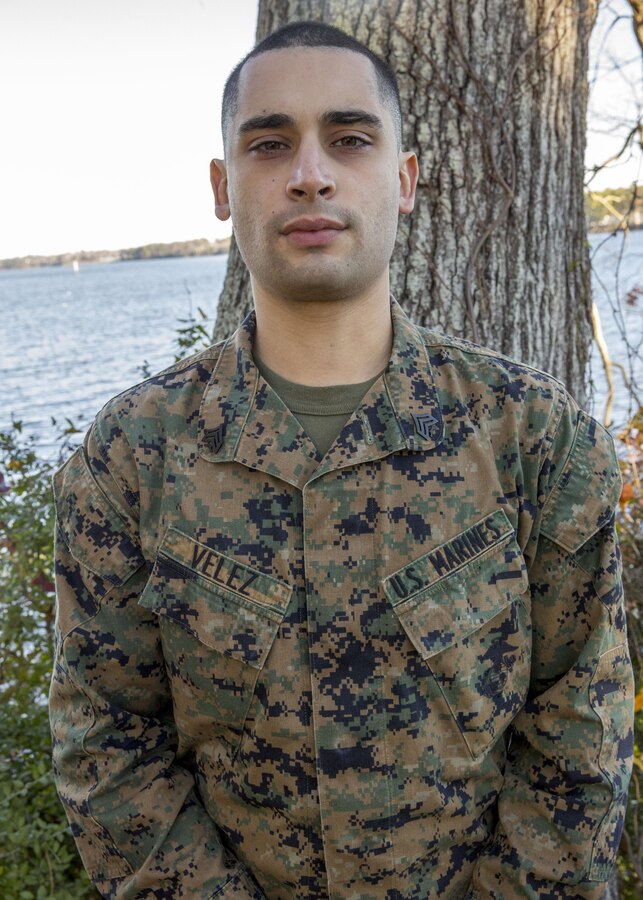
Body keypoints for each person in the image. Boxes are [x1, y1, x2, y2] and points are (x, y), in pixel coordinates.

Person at [49, 20, 634, 900]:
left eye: (349, 138)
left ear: (401, 182)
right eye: (269, 142)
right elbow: (107, 742)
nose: (310, 172)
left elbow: (579, 731)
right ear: (223, 186)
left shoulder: (534, 441)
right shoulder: (131, 459)